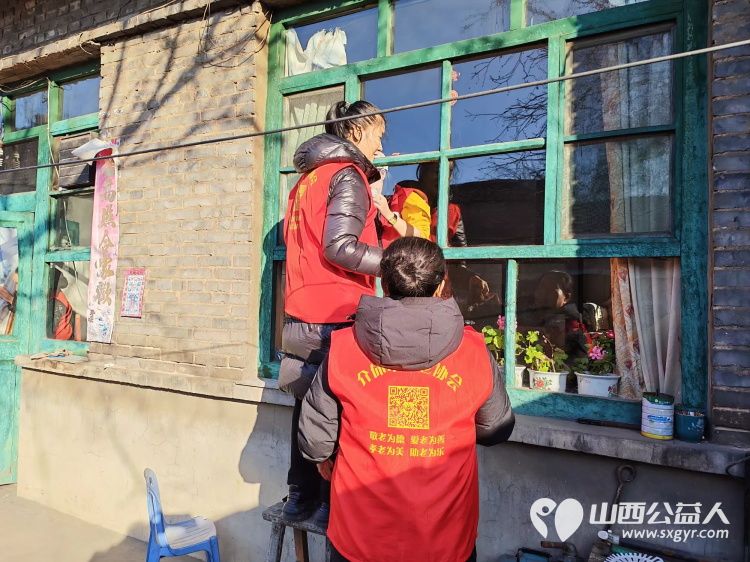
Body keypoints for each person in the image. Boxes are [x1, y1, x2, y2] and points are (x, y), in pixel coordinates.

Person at [297, 237, 515, 562]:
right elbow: (496, 429)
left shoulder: (343, 347)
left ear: (384, 284)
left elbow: (315, 442)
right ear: (440, 285)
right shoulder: (473, 351)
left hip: (359, 536)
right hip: (446, 540)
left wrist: (326, 457)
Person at [278, 100, 386, 526]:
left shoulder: (305, 181)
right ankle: (328, 501)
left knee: (306, 404)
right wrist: (395, 262)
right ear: (356, 131)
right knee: (337, 411)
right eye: (378, 133)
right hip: (336, 313)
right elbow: (340, 247)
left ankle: (298, 496)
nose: (381, 145)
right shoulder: (348, 174)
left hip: (299, 311)